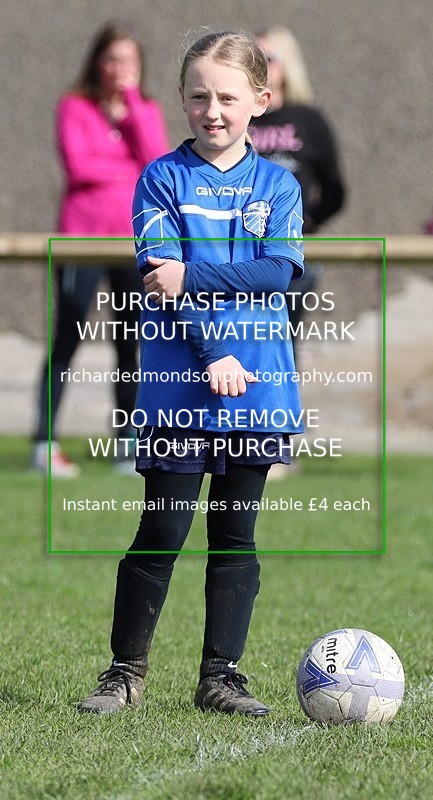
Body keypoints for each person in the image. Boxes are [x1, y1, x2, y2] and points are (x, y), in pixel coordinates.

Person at [79, 30, 304, 716]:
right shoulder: (162, 179)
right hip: (181, 391)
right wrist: (214, 354)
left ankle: (220, 678)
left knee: (235, 537)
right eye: (199, 96)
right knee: (162, 531)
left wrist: (194, 274)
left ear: (259, 101)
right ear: (180, 98)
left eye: (228, 97)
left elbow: (277, 270)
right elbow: (159, 279)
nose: (213, 110)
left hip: (257, 389)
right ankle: (124, 673)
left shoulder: (278, 184)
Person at [32, 21, 169, 476]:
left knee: (131, 344)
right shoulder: (74, 106)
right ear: (97, 61)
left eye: (128, 60)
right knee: (67, 339)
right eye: (112, 59)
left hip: (135, 241)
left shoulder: (144, 108)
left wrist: (131, 107)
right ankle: (44, 443)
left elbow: (157, 162)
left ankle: (129, 444)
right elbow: (78, 166)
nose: (120, 69)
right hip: (81, 239)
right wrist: (126, 171)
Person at [249, 25, 346, 350]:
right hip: (239, 249)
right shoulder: (239, 116)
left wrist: (309, 220)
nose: (260, 66)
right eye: (253, 58)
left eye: (268, 58)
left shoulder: (308, 119)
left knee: (280, 344)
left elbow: (335, 190)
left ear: (287, 65)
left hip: (291, 251)